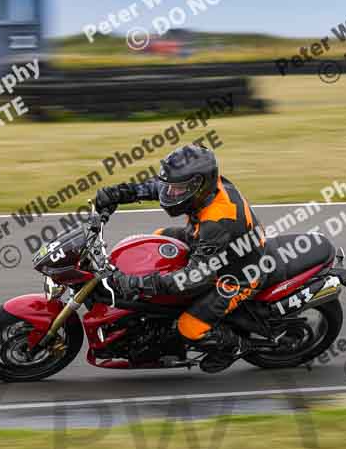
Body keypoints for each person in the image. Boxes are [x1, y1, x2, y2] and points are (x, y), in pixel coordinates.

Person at [94, 144, 271, 373]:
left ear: (199, 184)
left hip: (237, 275)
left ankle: (235, 347)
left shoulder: (218, 220)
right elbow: (156, 187)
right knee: (154, 242)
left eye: (178, 189)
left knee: (190, 327)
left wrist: (139, 284)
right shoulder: (205, 191)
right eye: (172, 187)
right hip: (207, 244)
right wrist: (118, 193)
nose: (170, 193)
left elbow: (192, 279)